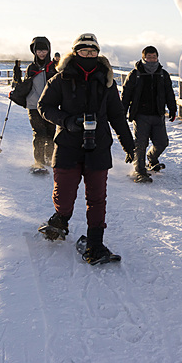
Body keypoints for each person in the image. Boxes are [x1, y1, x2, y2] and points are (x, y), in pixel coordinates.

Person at [37, 33, 135, 264]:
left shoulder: (107, 81)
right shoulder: (60, 79)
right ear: (75, 52)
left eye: (93, 51)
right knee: (65, 193)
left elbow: (117, 115)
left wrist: (129, 144)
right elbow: (44, 106)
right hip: (68, 145)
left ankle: (96, 243)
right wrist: (67, 121)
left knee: (97, 198)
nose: (89, 54)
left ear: (98, 54)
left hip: (98, 146)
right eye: (84, 50)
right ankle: (61, 218)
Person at [121, 45, 177, 183]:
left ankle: (151, 159)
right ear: (143, 57)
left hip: (158, 114)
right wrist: (122, 112)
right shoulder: (135, 74)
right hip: (140, 115)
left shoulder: (162, 74)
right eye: (149, 57)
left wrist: (172, 109)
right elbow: (126, 95)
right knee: (140, 143)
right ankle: (140, 171)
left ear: (157, 57)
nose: (151, 59)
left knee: (162, 142)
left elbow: (169, 93)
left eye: (154, 56)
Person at [25, 37, 57, 169]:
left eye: (44, 50)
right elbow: (27, 85)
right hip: (33, 105)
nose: (42, 53)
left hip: (51, 105)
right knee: (39, 133)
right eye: (39, 50)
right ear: (34, 51)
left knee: (51, 133)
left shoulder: (54, 67)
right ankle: (39, 162)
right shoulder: (31, 68)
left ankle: (50, 158)